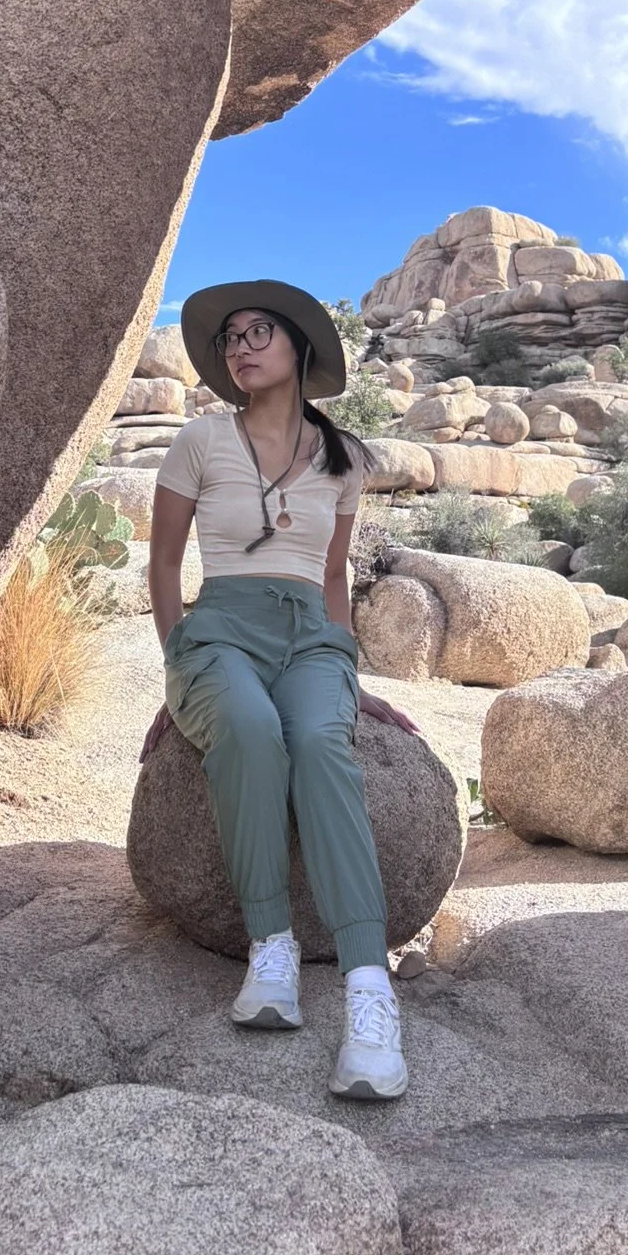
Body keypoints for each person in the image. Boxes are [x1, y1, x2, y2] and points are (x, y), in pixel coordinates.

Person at [145, 279, 417, 1101]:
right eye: (230, 337)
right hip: (220, 627)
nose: (239, 345)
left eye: (258, 331)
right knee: (251, 732)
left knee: (322, 745)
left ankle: (370, 994)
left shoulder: (344, 459)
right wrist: (179, 665)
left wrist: (347, 671)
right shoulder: (198, 441)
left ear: (300, 348)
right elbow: (161, 566)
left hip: (311, 638)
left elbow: (333, 576)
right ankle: (273, 950)